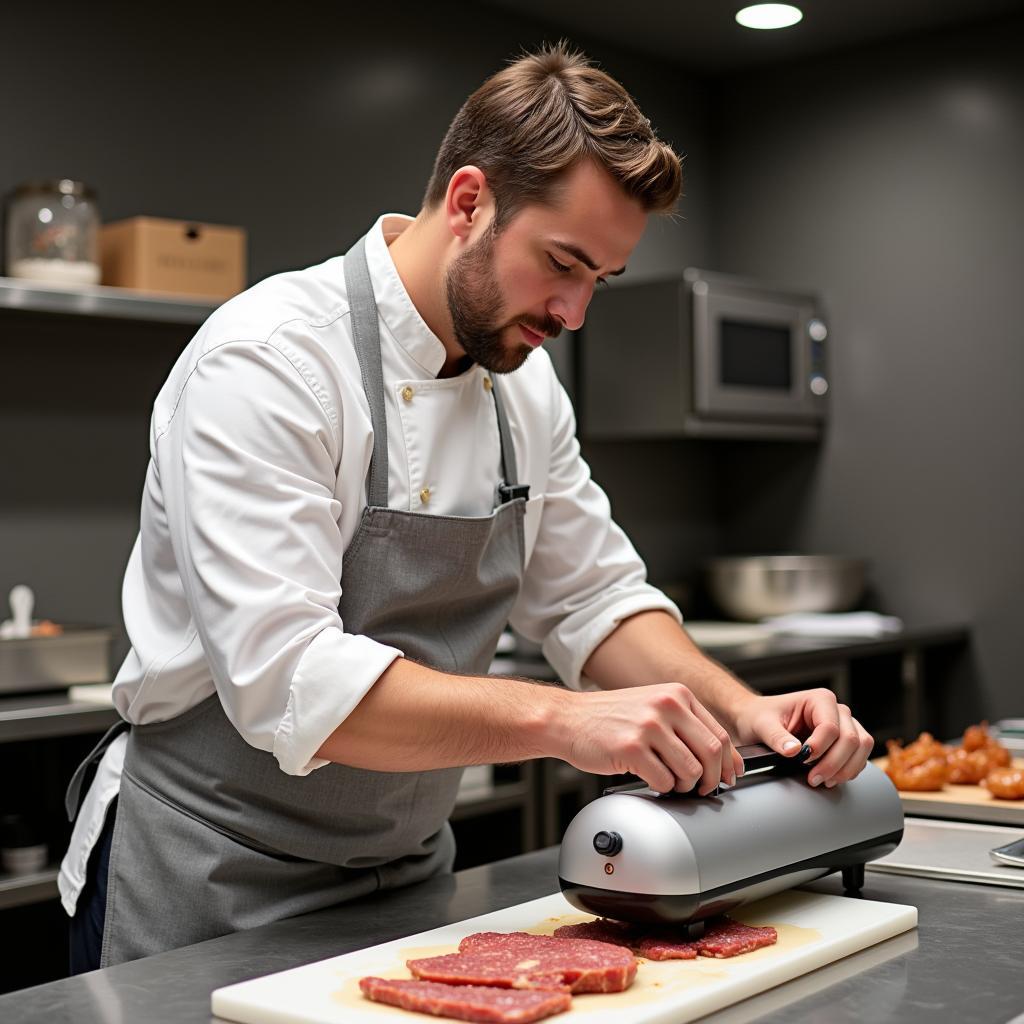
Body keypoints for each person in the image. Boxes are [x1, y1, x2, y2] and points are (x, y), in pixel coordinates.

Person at [60, 42, 873, 971]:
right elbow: (289, 682)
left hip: (403, 876)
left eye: (596, 282)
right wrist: (567, 720)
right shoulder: (271, 362)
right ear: (469, 201)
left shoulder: (521, 383)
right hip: (208, 873)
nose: (573, 314)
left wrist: (742, 711)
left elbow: (592, 598)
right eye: (561, 264)